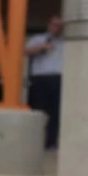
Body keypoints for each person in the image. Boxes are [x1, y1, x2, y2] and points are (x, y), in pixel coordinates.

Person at [25, 15, 64, 149]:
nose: (56, 28)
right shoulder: (38, 39)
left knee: (55, 112)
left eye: (59, 26)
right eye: (54, 25)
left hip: (58, 79)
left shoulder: (65, 42)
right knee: (37, 110)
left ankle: (51, 142)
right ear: (49, 25)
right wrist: (41, 47)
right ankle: (34, 140)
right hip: (40, 78)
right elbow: (26, 51)